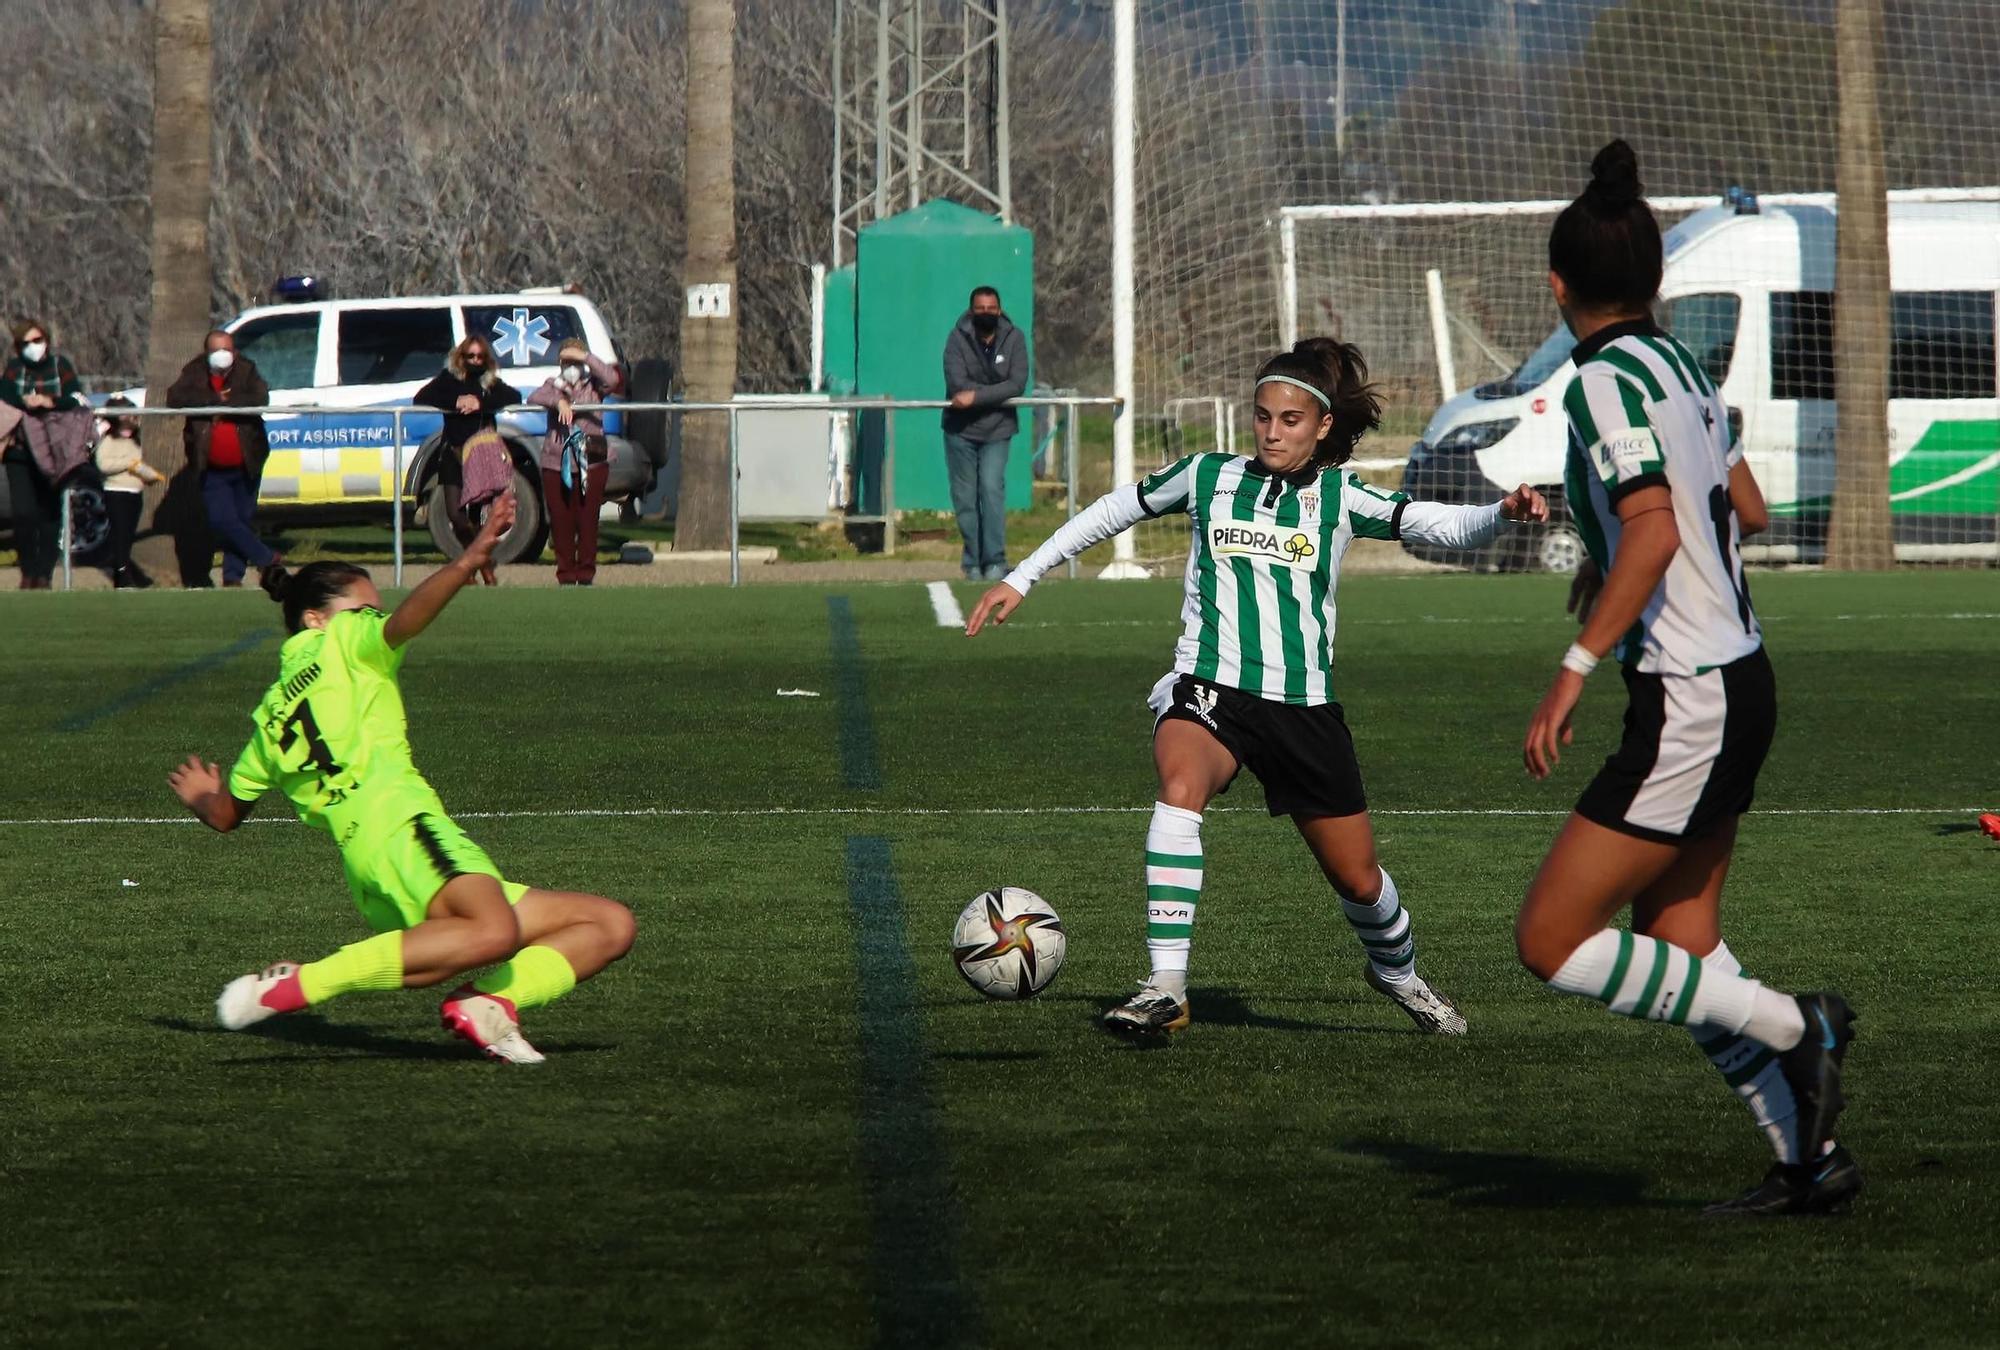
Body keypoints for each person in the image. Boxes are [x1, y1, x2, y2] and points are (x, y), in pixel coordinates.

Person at [966, 336, 1548, 1038]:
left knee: (1360, 881)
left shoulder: (1341, 495)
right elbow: (1114, 508)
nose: (1273, 431)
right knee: (1180, 789)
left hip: (1302, 710)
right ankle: (1166, 987)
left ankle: (1397, 973)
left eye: (1290, 420)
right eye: (1263, 416)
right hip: (1211, 686)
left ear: (1323, 425)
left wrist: (1500, 513)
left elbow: (1435, 523)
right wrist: (1021, 575)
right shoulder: (1208, 476)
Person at [1511, 140, 1857, 1216]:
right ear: (1653, 279)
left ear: (1556, 283)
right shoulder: (1681, 367)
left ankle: (1804, 1028)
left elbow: (1654, 530)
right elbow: (1739, 511)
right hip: (1738, 679)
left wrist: (1572, 668)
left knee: (1550, 941)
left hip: (1690, 695)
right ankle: (1808, 1162)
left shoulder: (1601, 380)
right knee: (1682, 944)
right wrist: (1623, 551)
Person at [166, 493, 636, 1063]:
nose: (375, 617)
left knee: (607, 924)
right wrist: (465, 563)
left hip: (373, 862)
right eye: (364, 608)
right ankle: (298, 985)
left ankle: (490, 1004)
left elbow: (225, 814)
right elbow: (406, 623)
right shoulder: (342, 642)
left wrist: (201, 798)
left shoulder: (269, 715)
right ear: (316, 619)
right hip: (402, 828)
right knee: (494, 933)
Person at [166, 329, 280, 588]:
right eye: (217, 350)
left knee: (242, 519)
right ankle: (265, 556)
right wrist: (213, 400)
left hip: (247, 462)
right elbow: (175, 398)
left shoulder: (247, 369)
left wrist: (227, 405)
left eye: (227, 350)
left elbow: (259, 397)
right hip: (210, 465)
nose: (223, 355)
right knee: (221, 519)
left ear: (235, 351)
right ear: (206, 352)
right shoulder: (194, 372)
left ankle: (232, 577)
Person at [414, 333, 520, 582]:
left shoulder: (488, 381)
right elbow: (422, 397)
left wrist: (480, 401)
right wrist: (456, 400)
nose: (475, 360)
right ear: (461, 357)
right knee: (455, 516)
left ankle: (472, 569)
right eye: (470, 356)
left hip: (481, 455)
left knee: (477, 517)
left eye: (480, 356)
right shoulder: (448, 378)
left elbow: (514, 396)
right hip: (453, 452)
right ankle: (483, 561)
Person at [941, 286, 1028, 581]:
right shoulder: (956, 339)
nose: (986, 314)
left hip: (998, 428)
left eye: (992, 309)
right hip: (960, 431)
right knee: (965, 498)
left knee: (991, 490)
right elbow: (957, 384)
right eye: (980, 309)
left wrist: (976, 398)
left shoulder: (1014, 338)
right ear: (971, 311)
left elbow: (1016, 384)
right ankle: (972, 564)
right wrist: (991, 393)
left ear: (1000, 310)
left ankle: (995, 561)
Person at [528, 339, 622, 585]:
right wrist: (558, 401)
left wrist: (586, 356)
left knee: (587, 519)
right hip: (556, 463)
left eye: (575, 361)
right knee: (561, 521)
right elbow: (534, 396)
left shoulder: (595, 387)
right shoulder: (552, 386)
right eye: (566, 361)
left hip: (591, 462)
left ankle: (586, 573)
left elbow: (613, 379)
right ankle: (566, 574)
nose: (571, 367)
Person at [2, 318, 87, 589]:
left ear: (46, 341)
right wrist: (25, 401)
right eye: (26, 343)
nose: (33, 347)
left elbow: (75, 397)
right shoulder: (14, 369)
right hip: (21, 450)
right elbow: (6, 396)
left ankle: (45, 573)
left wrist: (50, 401)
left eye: (37, 340)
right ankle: (28, 569)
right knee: (24, 513)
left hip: (54, 450)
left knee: (50, 513)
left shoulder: (60, 366)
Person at [93, 397, 162, 588]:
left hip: (135, 493)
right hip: (116, 493)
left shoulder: (136, 440)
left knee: (128, 535)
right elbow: (104, 464)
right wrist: (128, 464)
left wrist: (148, 475)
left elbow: (139, 463)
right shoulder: (109, 439)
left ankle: (125, 570)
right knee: (120, 534)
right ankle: (122, 574)